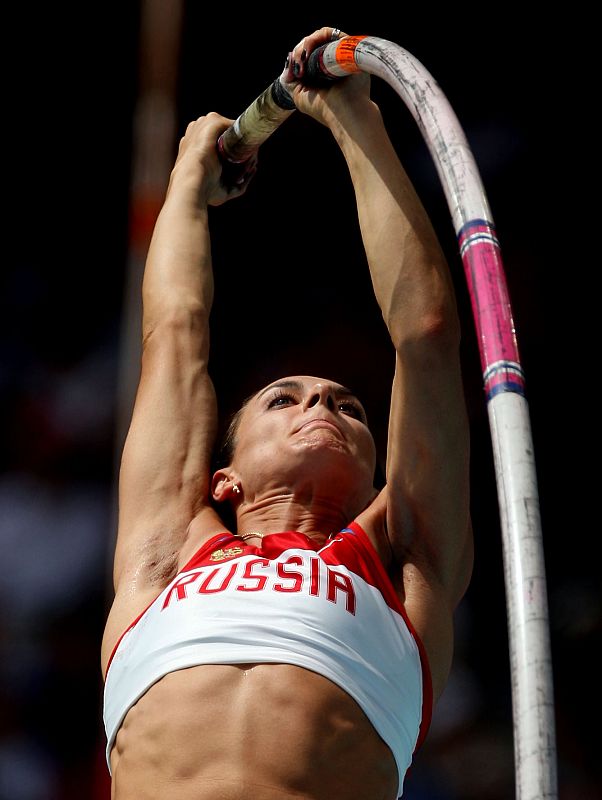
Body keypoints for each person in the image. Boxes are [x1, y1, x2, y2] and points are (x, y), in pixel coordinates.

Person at [101, 26, 473, 800]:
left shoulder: (404, 564)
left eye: (348, 405)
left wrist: (356, 123)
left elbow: (427, 336)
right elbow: (173, 338)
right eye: (285, 397)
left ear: (376, 471)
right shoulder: (167, 548)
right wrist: (184, 190)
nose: (321, 405)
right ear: (225, 478)